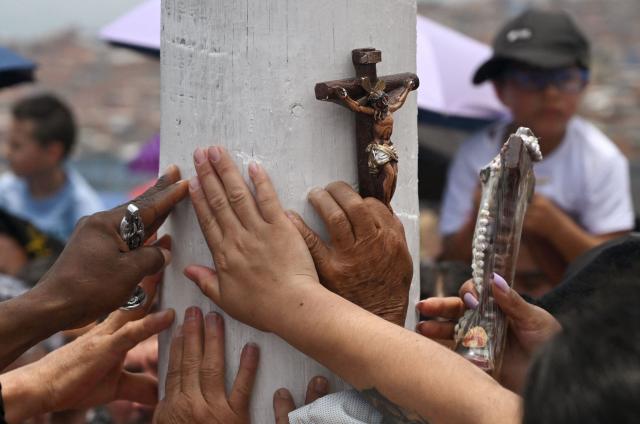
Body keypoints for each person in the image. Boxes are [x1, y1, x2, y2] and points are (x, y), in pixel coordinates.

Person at [438, 8, 634, 296]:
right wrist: (479, 214)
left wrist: (554, 225)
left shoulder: (601, 159)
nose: (551, 93)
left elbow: (618, 267)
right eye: (532, 78)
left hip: (573, 307)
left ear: (583, 84)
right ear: (501, 90)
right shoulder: (474, 153)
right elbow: (452, 259)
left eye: (564, 78)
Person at [0, 93, 104, 242]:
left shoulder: (84, 213)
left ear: (52, 152)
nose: (7, 152)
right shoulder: (5, 193)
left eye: (16, 146)